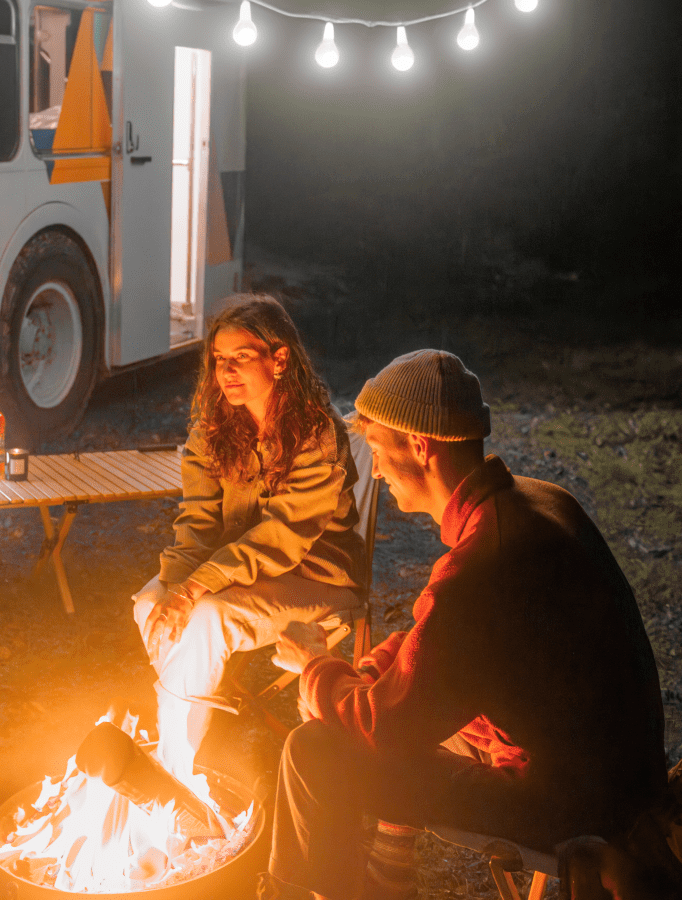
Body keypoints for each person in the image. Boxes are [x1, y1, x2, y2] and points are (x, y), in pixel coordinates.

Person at [262, 350, 668, 900]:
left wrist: (315, 670)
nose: (374, 470)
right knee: (398, 708)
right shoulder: (537, 501)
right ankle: (387, 873)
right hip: (618, 774)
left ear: (420, 446)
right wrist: (369, 670)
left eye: (379, 451)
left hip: (571, 802)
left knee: (314, 751)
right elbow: (438, 644)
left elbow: (386, 724)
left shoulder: (483, 562)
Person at [133, 294, 367, 780]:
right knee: (147, 604)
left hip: (316, 576)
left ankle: (174, 763)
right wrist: (176, 588)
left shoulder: (315, 434)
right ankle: (182, 733)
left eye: (241, 357)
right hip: (238, 573)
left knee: (210, 616)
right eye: (219, 360)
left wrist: (194, 591)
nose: (227, 371)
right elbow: (197, 522)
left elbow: (279, 538)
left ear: (279, 359)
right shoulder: (215, 430)